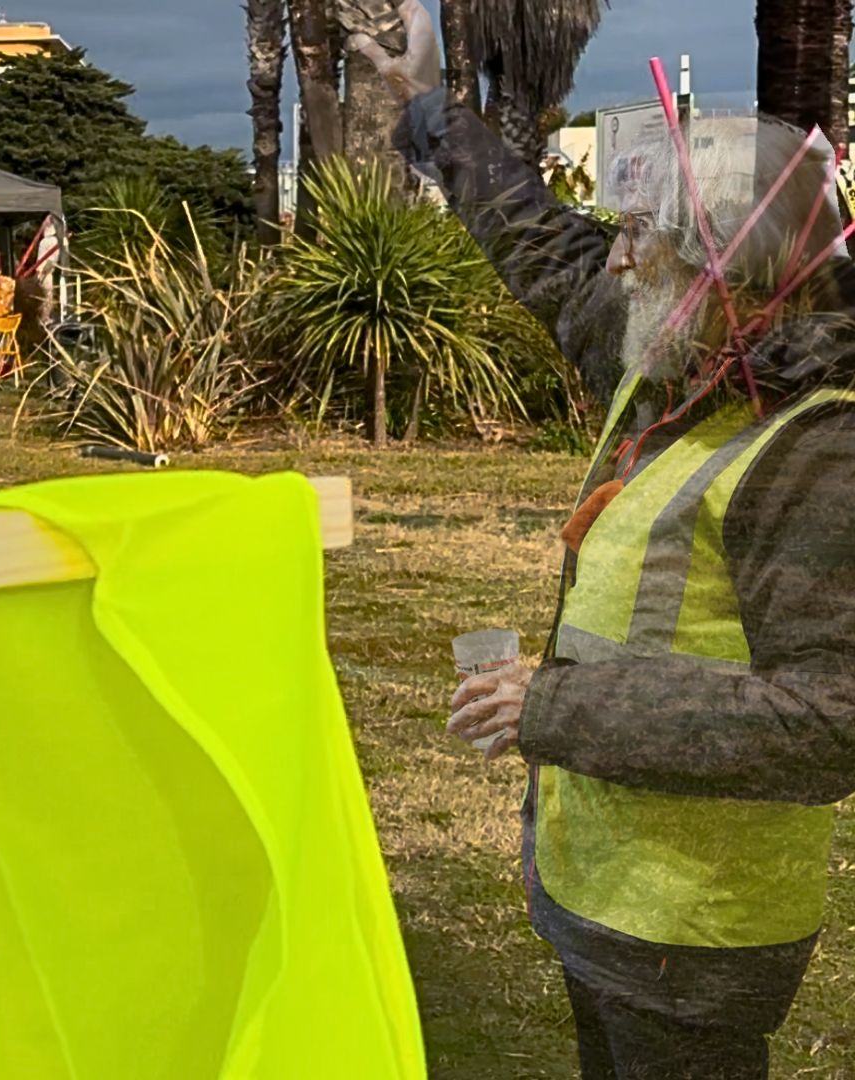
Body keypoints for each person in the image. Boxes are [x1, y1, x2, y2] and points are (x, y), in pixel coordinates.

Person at [358, 7, 855, 1079]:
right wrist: (433, 108)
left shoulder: (818, 451)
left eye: (642, 237)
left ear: (728, 269)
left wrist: (553, 706)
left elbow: (830, 720)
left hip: (698, 930)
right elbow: (537, 238)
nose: (615, 260)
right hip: (606, 894)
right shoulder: (679, 364)